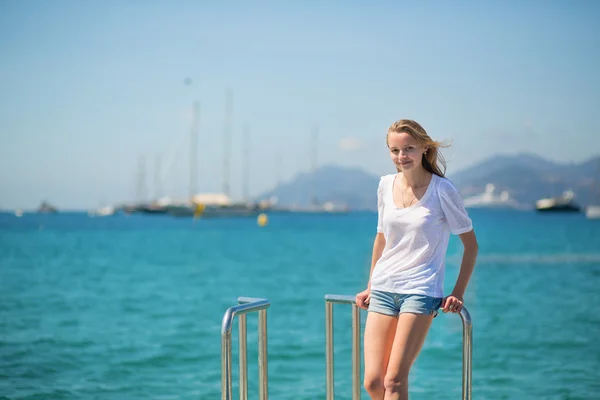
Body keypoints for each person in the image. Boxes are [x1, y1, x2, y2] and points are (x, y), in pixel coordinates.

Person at [355, 119, 478, 400]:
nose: (402, 157)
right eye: (395, 150)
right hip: (384, 287)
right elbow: (382, 239)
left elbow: (471, 246)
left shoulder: (443, 190)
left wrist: (458, 293)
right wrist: (371, 284)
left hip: (420, 291)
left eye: (409, 148)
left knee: (395, 380)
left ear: (424, 148)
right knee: (373, 383)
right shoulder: (385, 185)